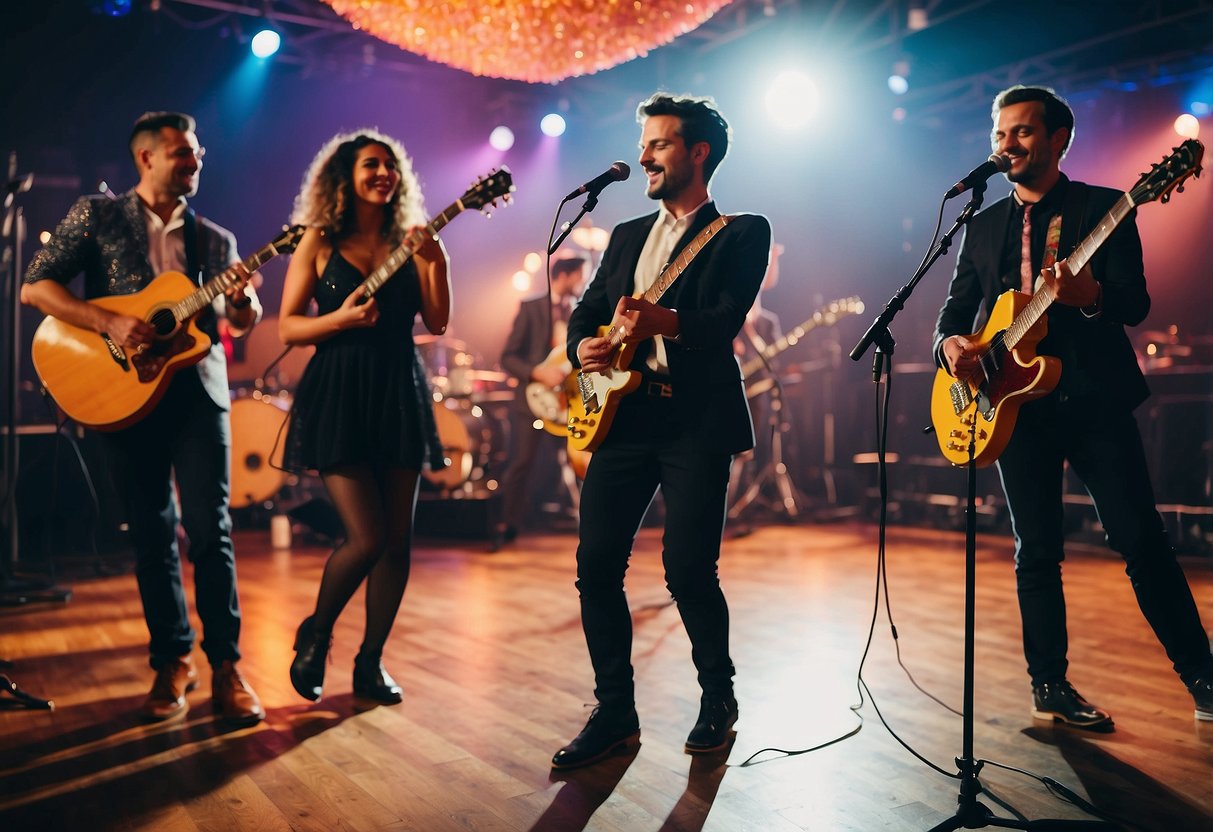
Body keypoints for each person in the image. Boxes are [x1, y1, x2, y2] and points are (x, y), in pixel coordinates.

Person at [933, 85, 1213, 729]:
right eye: (1001, 134)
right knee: (1036, 548)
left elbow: (1135, 304)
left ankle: (1202, 676)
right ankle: (1049, 684)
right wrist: (950, 344)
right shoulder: (979, 227)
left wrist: (1089, 296)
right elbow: (954, 315)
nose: (1008, 144)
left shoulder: (1105, 207)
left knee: (1141, 540)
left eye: (1024, 132)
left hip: (1092, 400)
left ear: (1060, 140)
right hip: (1011, 404)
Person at [21, 111, 265, 726]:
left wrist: (243, 302)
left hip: (198, 398)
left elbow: (239, 326)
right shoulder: (98, 216)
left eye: (199, 152)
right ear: (146, 158)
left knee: (212, 532)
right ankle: (171, 662)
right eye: (183, 152)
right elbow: (36, 289)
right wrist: (106, 321)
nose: (195, 161)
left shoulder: (219, 240)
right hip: (125, 395)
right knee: (152, 535)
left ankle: (227, 668)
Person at [552, 93, 771, 769]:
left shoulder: (741, 231)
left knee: (686, 570)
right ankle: (614, 711)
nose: (643, 154)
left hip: (693, 420)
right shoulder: (621, 237)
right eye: (644, 143)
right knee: (594, 568)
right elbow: (583, 317)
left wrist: (662, 323)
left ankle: (718, 694)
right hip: (623, 417)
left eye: (659, 143)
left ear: (698, 152)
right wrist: (583, 349)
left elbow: (722, 322)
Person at [279, 129, 450, 705]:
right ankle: (317, 633)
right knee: (368, 535)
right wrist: (339, 322)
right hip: (339, 391)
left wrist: (437, 261)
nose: (383, 174)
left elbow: (439, 320)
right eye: (370, 165)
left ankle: (370, 663)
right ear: (345, 179)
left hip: (398, 388)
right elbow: (288, 327)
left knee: (397, 541)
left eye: (391, 166)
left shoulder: (413, 239)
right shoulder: (319, 241)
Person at [490, 256, 589, 551]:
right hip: (532, 402)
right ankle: (508, 526)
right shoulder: (531, 307)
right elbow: (508, 356)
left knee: (580, 461)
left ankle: (590, 525)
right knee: (521, 463)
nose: (583, 282)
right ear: (566, 275)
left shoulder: (581, 311)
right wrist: (537, 372)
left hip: (569, 402)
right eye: (580, 275)